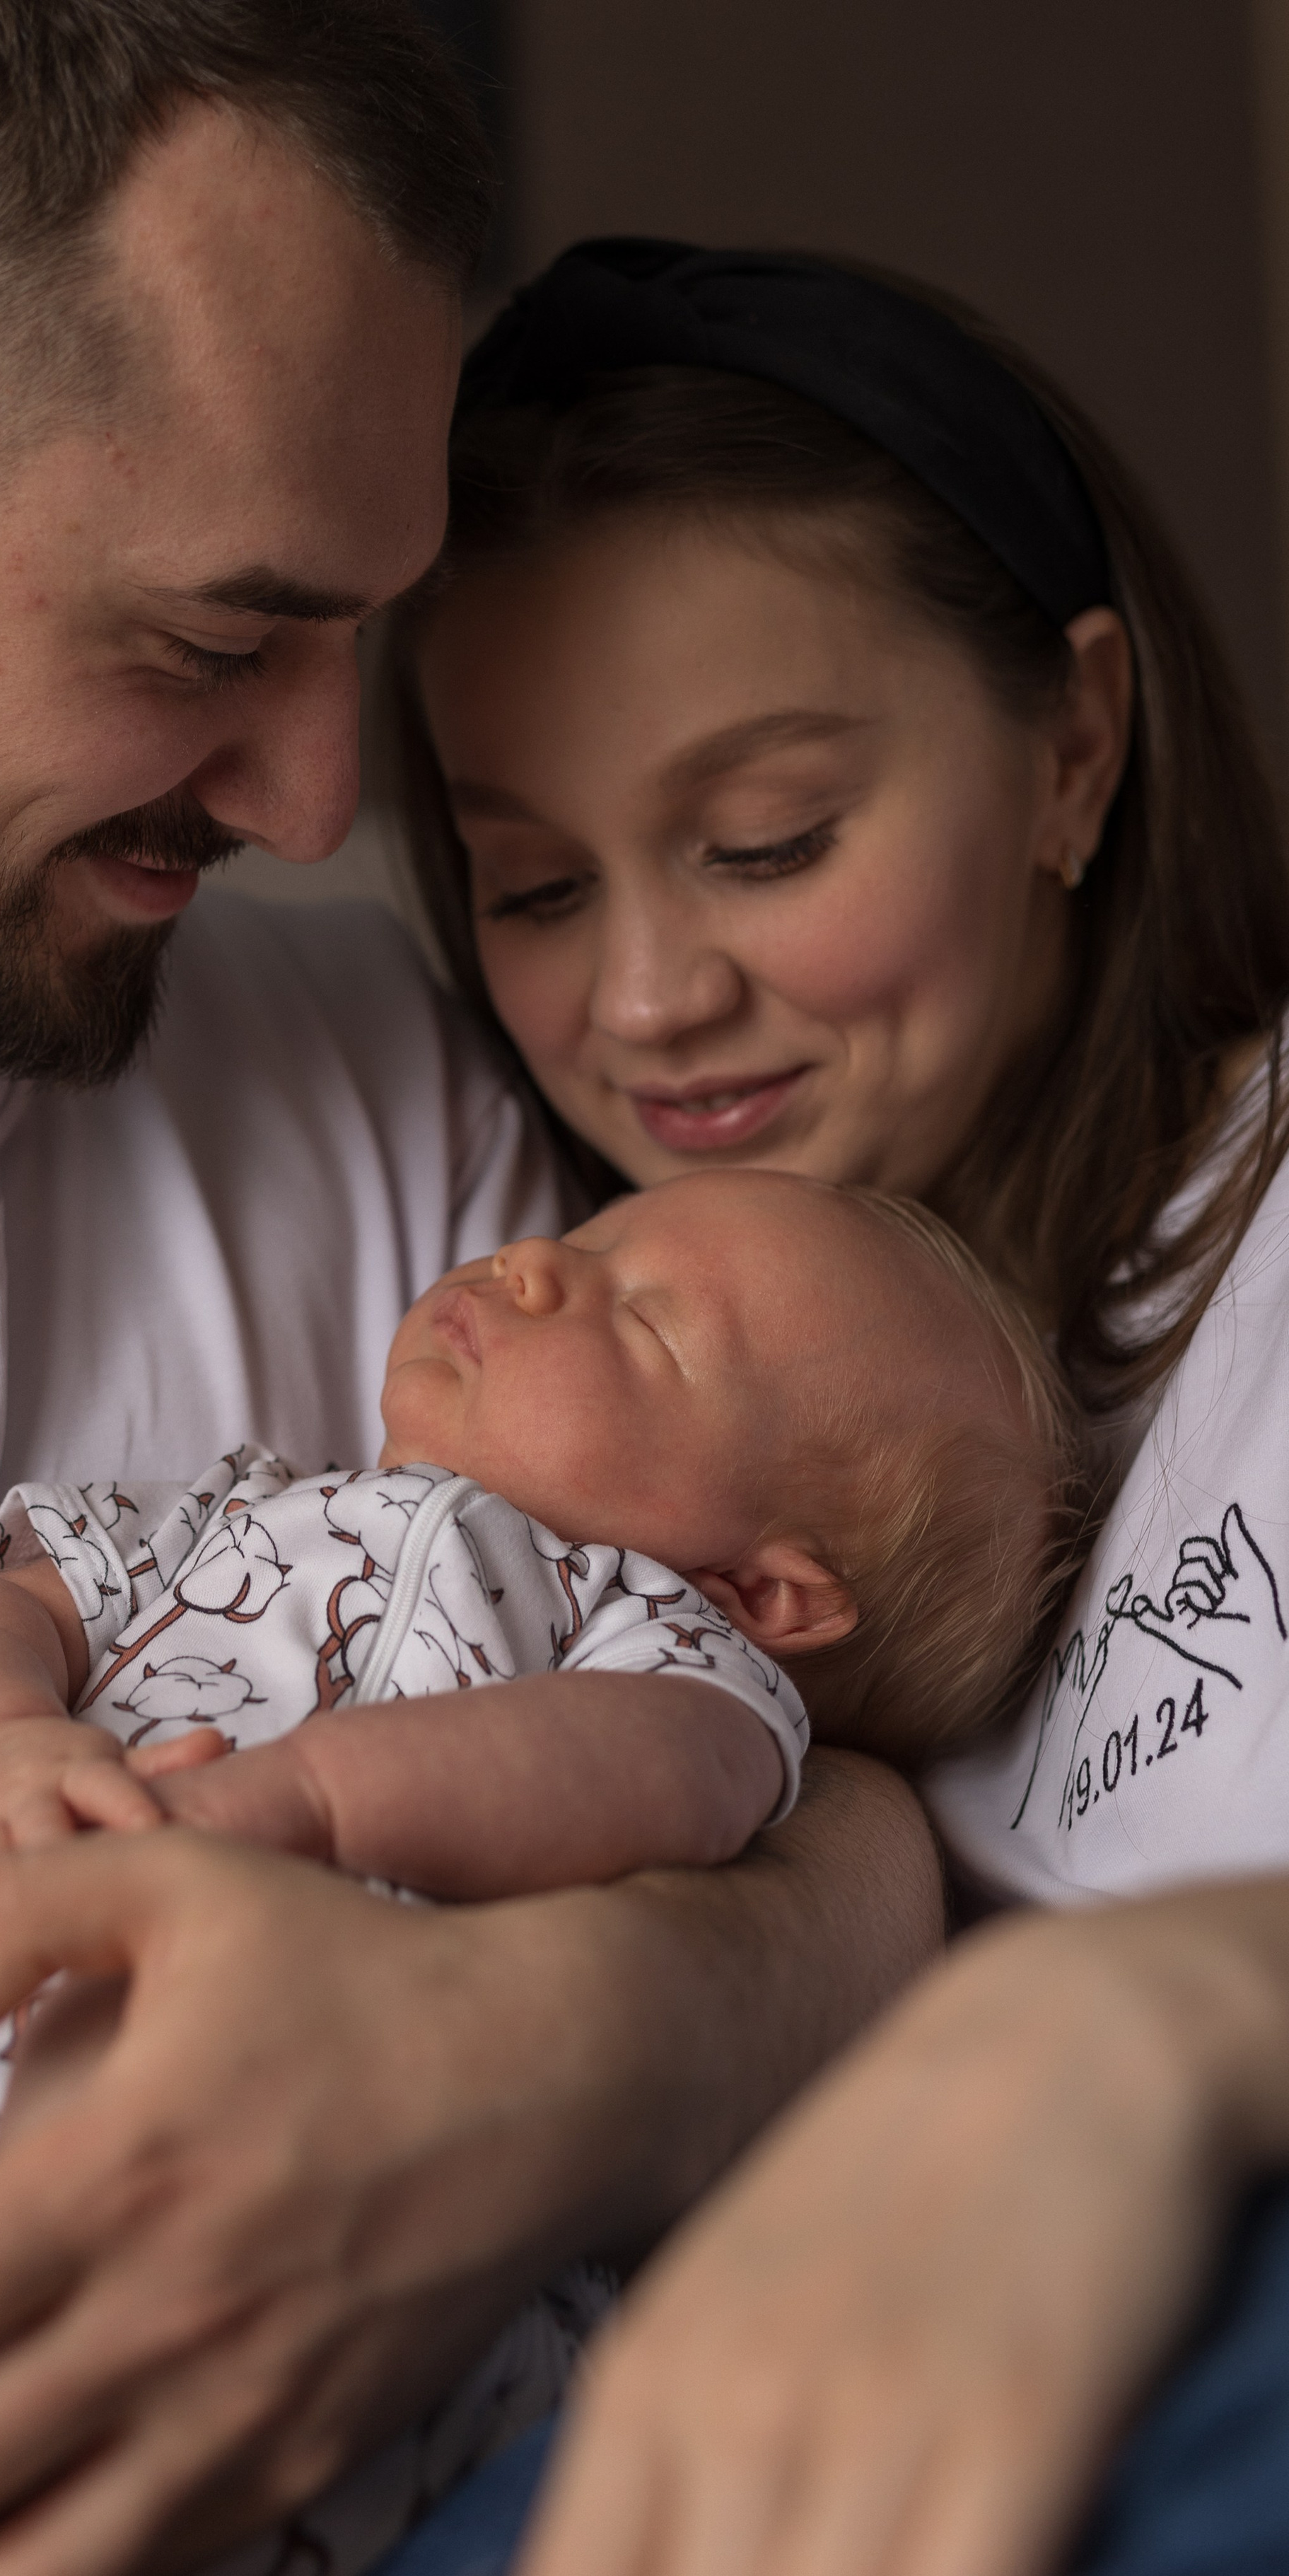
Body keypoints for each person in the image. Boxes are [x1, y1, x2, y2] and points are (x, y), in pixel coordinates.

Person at [0, 24, 947, 2575]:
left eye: (350, 646)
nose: (313, 805)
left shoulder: (355, 1067)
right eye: (209, 641)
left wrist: (527, 2058)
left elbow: (799, 1771)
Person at [0, 1169, 1081, 2572]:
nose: (533, 1265)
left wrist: (310, 1807)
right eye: (585, 1236)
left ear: (764, 1588)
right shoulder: (240, 1500)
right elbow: (5, 1612)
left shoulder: (664, 1645)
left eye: (647, 1324)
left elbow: (651, 1776)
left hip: (330, 2184)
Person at [361, 240, 1289, 2575]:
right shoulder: (554, 1378)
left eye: (767, 838)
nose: (654, 1000)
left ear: (1076, 746)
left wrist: (1162, 2007)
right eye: (534, 885)